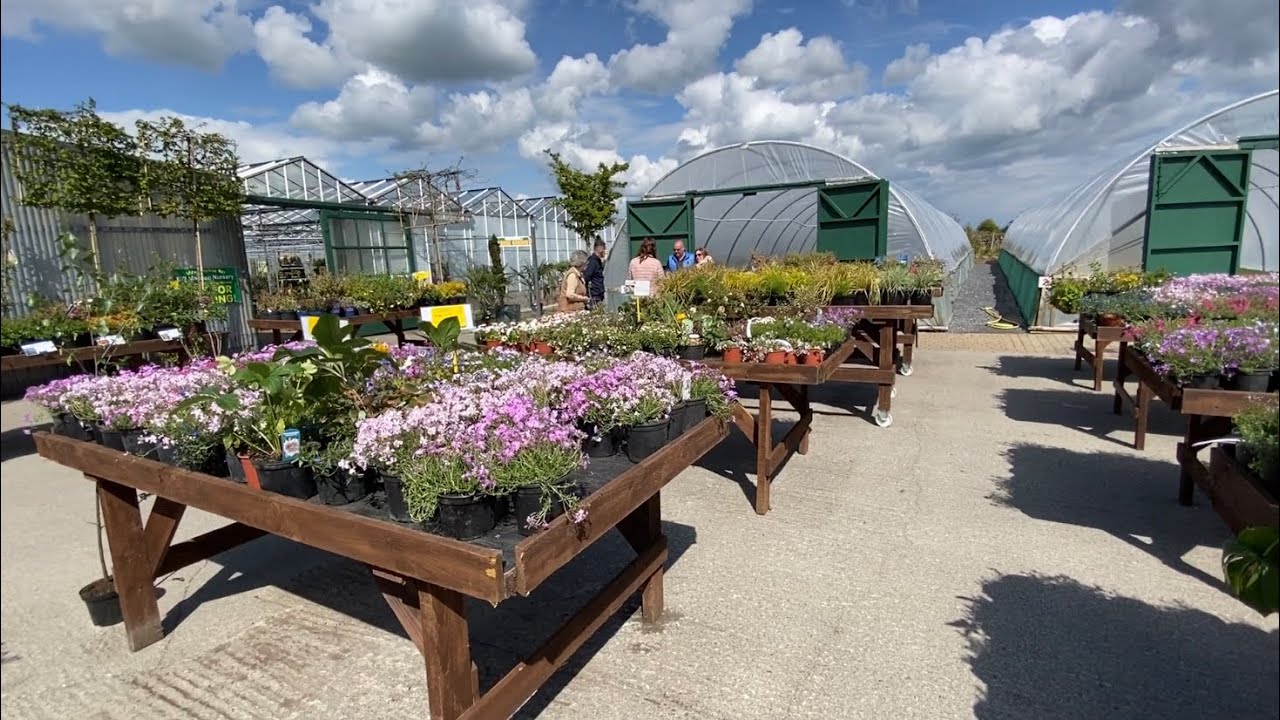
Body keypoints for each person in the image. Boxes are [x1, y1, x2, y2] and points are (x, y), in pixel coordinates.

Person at [582, 238, 607, 307]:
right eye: (604, 249)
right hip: (594, 295)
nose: (605, 251)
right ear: (600, 249)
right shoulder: (592, 262)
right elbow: (586, 276)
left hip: (598, 294)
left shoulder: (598, 261)